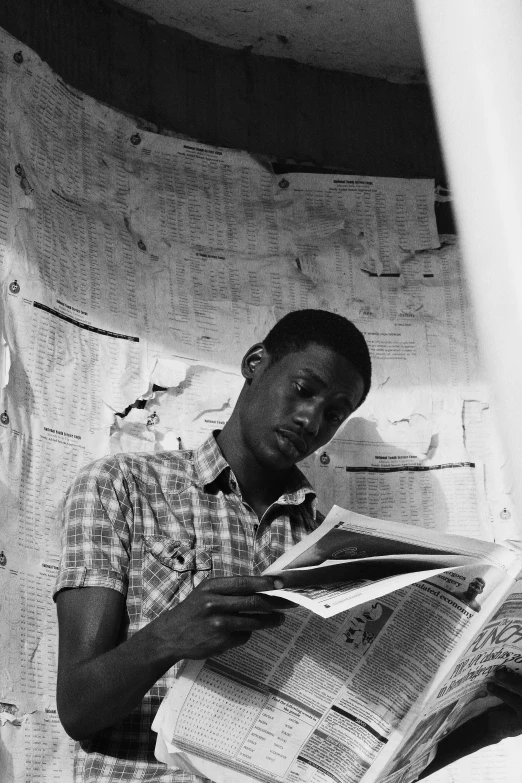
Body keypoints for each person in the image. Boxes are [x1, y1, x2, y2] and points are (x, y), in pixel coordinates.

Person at [53, 309, 371, 782]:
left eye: (334, 414)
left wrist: (488, 727)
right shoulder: (123, 485)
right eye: (304, 390)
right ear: (255, 363)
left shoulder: (327, 550)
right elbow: (78, 707)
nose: (310, 420)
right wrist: (168, 636)